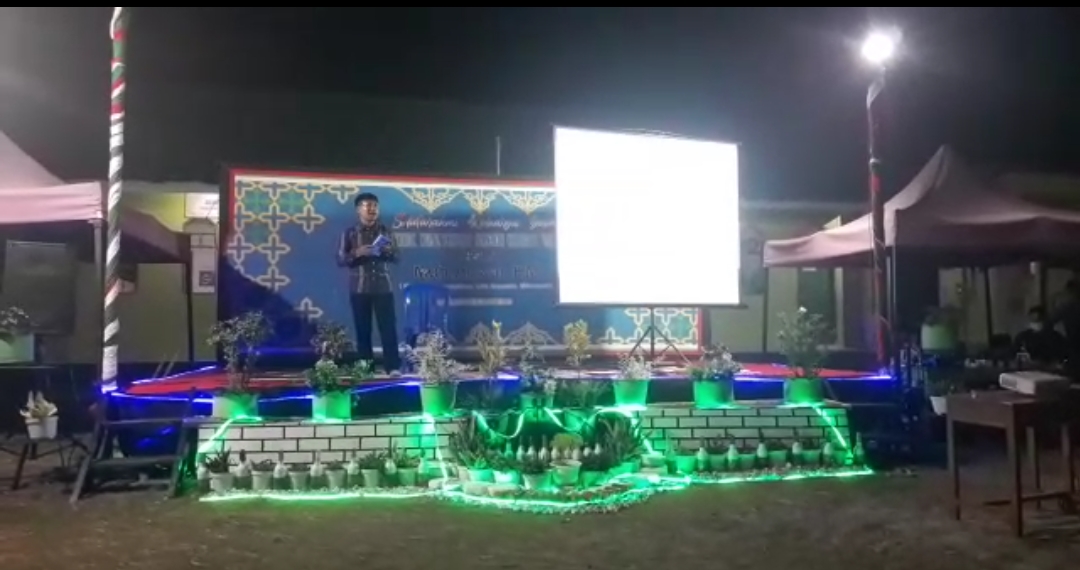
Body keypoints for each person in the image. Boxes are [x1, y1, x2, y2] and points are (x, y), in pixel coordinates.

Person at [336, 192, 401, 374]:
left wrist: (387, 251)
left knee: (388, 329)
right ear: (359, 210)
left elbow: (397, 257)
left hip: (383, 287)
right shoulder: (349, 233)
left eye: (375, 206)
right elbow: (340, 259)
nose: (372, 209)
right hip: (359, 288)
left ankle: (393, 367)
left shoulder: (386, 232)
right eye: (368, 206)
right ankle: (366, 368)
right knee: (363, 330)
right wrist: (358, 253)